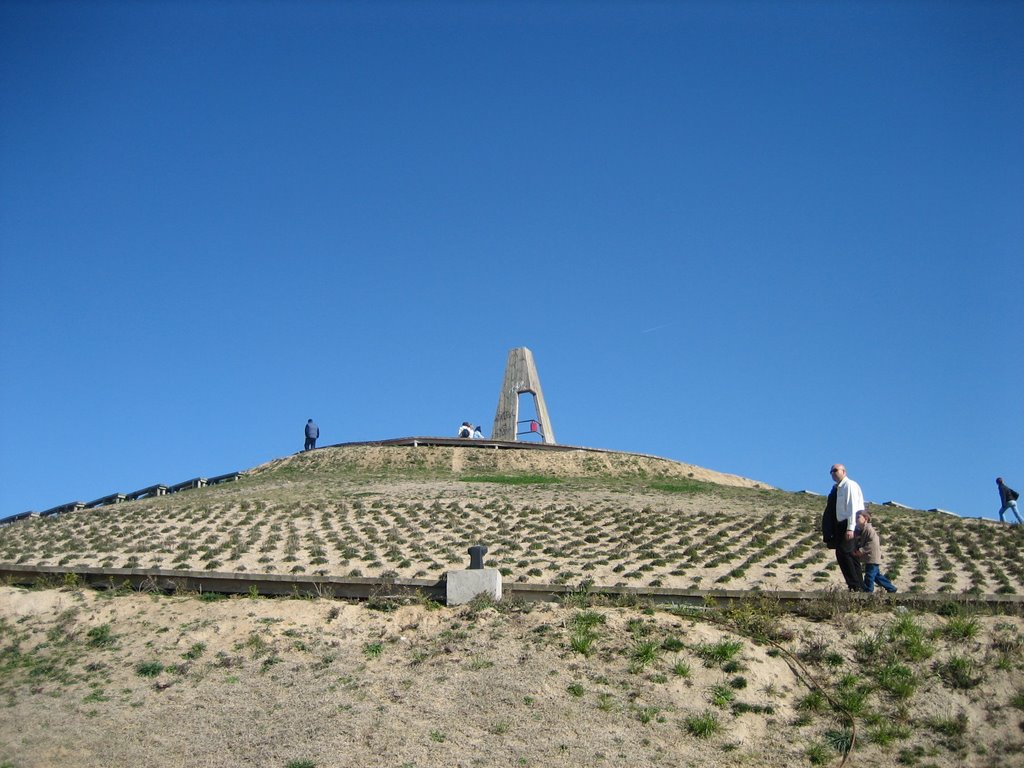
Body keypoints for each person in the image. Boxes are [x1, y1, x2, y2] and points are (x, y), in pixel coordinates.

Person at [821, 463, 866, 591]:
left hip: (848, 524)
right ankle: (859, 586)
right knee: (850, 556)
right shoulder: (837, 488)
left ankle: (855, 585)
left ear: (844, 471)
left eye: (836, 470)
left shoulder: (849, 485)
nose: (833, 473)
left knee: (844, 553)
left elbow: (853, 507)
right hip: (841, 525)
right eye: (831, 471)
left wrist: (850, 528)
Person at [852, 510, 897, 593]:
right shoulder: (862, 530)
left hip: (872, 557)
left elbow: (872, 543)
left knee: (869, 576)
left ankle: (868, 591)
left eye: (858, 517)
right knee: (876, 576)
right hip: (870, 557)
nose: (856, 519)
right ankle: (891, 588)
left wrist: (861, 550)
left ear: (865, 518)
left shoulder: (869, 530)